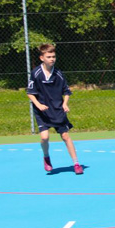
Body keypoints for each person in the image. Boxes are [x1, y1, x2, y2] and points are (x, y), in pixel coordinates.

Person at [27, 43, 83, 175]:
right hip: (42, 111)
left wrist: (65, 103)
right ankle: (46, 157)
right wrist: (39, 105)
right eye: (49, 56)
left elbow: (67, 92)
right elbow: (30, 93)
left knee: (65, 136)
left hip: (57, 110)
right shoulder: (36, 73)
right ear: (42, 58)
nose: (52, 59)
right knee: (44, 137)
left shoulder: (58, 74)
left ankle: (76, 163)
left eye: (53, 56)